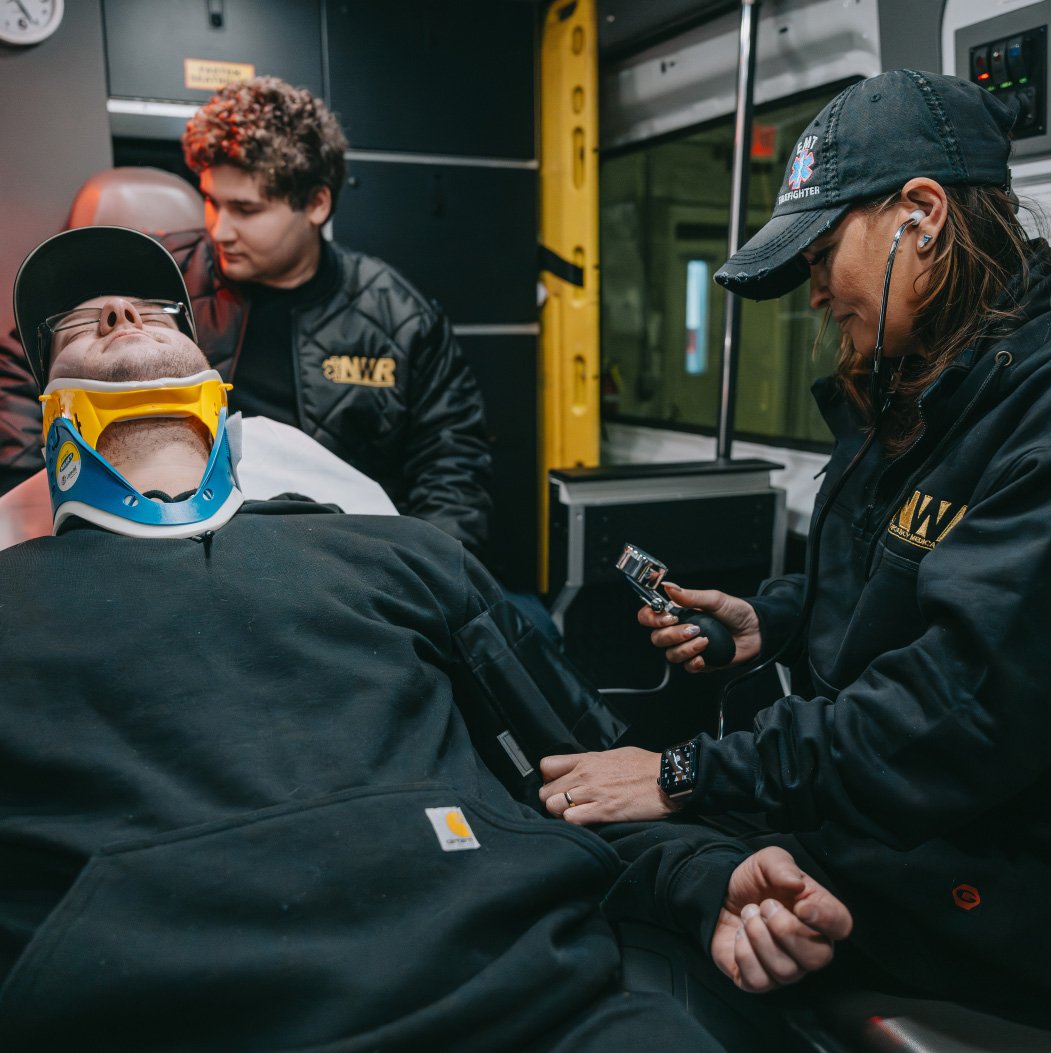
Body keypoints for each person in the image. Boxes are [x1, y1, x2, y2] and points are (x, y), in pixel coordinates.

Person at [0, 224, 851, 1050]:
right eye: (82, 320)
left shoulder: (396, 552)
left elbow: (583, 774)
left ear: (213, 380)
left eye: (153, 309)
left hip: (536, 1010)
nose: (122, 315)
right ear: (47, 414)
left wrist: (705, 879)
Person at [538, 69, 1051, 1022]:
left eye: (820, 256)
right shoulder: (911, 385)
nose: (814, 295)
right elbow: (886, 583)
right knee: (583, 840)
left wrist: (687, 772)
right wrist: (767, 621)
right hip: (875, 804)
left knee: (603, 879)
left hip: (985, 860)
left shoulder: (1035, 409)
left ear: (921, 214)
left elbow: (958, 707)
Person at [0, 75, 492, 556]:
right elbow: (39, 353)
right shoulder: (162, 283)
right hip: (165, 543)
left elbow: (452, 468)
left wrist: (427, 576)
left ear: (317, 203)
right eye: (211, 201)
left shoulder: (399, 318)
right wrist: (44, 508)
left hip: (338, 558)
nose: (220, 229)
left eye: (246, 209)